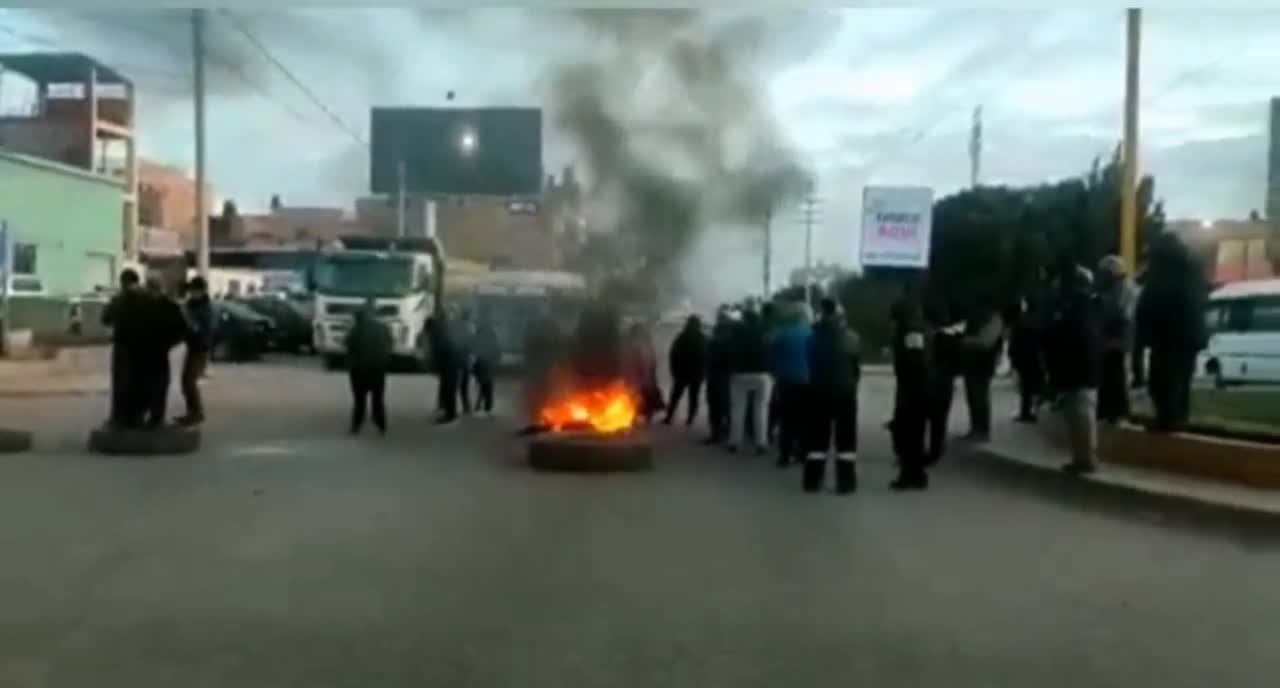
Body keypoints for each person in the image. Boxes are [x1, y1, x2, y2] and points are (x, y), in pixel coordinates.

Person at [1136, 235, 1208, 433]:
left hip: (1169, 337)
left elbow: (1155, 302)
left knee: (1162, 381)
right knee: (1181, 381)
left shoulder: (1165, 273)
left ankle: (1167, 420)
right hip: (1188, 336)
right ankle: (1178, 419)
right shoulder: (1191, 270)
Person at [1045, 266, 1103, 474]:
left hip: (1081, 370)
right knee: (1077, 417)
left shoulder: (1081, 309)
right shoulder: (1083, 307)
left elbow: (1074, 340)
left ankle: (1086, 458)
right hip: (1080, 370)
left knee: (1082, 416)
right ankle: (1081, 457)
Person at [804, 298, 861, 494]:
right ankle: (846, 482)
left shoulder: (812, 338)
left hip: (818, 392)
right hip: (845, 393)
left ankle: (812, 481)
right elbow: (855, 367)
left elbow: (810, 363)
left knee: (817, 439)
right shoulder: (852, 337)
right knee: (846, 439)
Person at [889, 289, 932, 490]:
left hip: (912, 388)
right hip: (917, 387)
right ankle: (916, 473)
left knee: (908, 432)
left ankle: (911, 474)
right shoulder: (913, 328)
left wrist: (908, 388)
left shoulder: (911, 330)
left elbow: (915, 360)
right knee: (914, 432)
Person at [101, 268, 148, 428]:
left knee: (121, 383)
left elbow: (106, 318)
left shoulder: (120, 299)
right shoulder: (147, 298)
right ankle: (137, 417)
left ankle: (119, 418)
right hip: (143, 347)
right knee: (140, 382)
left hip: (123, 346)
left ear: (123, 282)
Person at [140, 277, 189, 429]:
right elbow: (182, 329)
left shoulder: (142, 306)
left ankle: (145, 415)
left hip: (146, 351)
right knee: (158, 384)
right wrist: (168, 344)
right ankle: (155, 417)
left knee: (147, 384)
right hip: (158, 351)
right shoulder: (169, 306)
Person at [769, 301, 812, 467]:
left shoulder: (782, 334)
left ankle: (785, 455)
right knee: (806, 419)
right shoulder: (813, 334)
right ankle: (803, 452)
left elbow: (773, 358)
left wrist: (776, 374)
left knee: (787, 419)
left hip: (786, 382)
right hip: (808, 382)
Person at [345, 297, 393, 435]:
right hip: (378, 369)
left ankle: (356, 426)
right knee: (378, 399)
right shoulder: (383, 328)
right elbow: (389, 346)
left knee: (359, 400)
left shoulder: (355, 329)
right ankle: (381, 425)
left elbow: (348, 346)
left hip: (359, 370)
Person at [1096, 255, 1135, 424]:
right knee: (1108, 377)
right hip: (1111, 340)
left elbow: (1121, 314)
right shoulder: (1113, 288)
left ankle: (1118, 413)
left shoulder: (1124, 289)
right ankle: (1107, 412)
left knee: (1116, 377)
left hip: (1118, 340)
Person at [728, 306, 771, 454]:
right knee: (761, 409)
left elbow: (730, 350)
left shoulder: (736, 331)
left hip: (740, 373)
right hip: (763, 373)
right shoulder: (765, 330)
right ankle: (761, 443)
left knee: (738, 408)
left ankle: (735, 442)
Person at [926, 303, 964, 466]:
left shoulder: (933, 337)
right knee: (939, 418)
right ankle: (937, 448)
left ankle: (932, 450)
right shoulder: (954, 337)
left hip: (932, 379)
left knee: (927, 417)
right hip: (945, 380)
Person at [175, 276, 214, 426]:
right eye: (191, 290)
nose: (192, 293)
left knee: (189, 381)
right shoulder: (193, 304)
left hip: (200, 348)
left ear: (201, 291)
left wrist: (186, 316)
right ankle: (192, 412)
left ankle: (196, 413)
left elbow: (196, 328)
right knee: (186, 381)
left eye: (194, 290)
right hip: (193, 346)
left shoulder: (205, 308)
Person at [961, 307, 1004, 441]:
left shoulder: (994, 318)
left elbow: (987, 342)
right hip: (972, 363)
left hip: (983, 364)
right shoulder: (977, 317)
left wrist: (967, 341)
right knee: (972, 396)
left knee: (980, 397)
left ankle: (982, 431)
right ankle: (975, 428)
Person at [1007, 298, 1045, 423]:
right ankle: (1032, 411)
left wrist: (1012, 357)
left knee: (1026, 387)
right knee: (1034, 384)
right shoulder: (1036, 320)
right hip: (1033, 356)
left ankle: (1026, 412)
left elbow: (1015, 341)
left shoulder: (1020, 321)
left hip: (1023, 357)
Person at [665, 315, 707, 426]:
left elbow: (673, 354)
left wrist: (674, 370)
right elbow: (707, 357)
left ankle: (669, 417)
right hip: (696, 374)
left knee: (675, 396)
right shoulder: (703, 338)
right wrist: (704, 373)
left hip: (682, 373)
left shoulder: (682, 337)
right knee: (693, 397)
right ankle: (690, 419)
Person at [704, 307, 735, 445]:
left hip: (715, 376)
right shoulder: (733, 339)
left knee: (715, 406)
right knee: (728, 406)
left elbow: (707, 358)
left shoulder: (713, 341)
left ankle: (716, 434)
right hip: (728, 376)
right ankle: (729, 432)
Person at [624, 322, 663, 425]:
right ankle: (635, 416)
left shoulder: (643, 344)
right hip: (637, 375)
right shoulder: (637, 344)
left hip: (642, 375)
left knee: (644, 396)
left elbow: (651, 360)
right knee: (636, 396)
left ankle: (642, 416)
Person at [429, 310, 460, 424]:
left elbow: (439, 349)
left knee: (448, 389)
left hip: (448, 363)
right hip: (451, 363)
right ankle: (449, 412)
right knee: (448, 389)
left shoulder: (441, 331)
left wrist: (435, 365)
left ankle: (450, 414)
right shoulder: (448, 330)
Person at [472, 316, 500, 415]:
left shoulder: (479, 334)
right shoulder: (492, 335)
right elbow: (497, 350)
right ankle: (486, 407)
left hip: (482, 364)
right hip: (488, 364)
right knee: (487, 386)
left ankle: (481, 406)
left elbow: (475, 348)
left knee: (483, 385)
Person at [453, 309, 476, 416]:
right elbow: (472, 343)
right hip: (465, 358)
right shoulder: (470, 328)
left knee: (454, 383)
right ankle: (466, 406)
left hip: (457, 358)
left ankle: (450, 405)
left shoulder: (458, 327)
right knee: (464, 385)